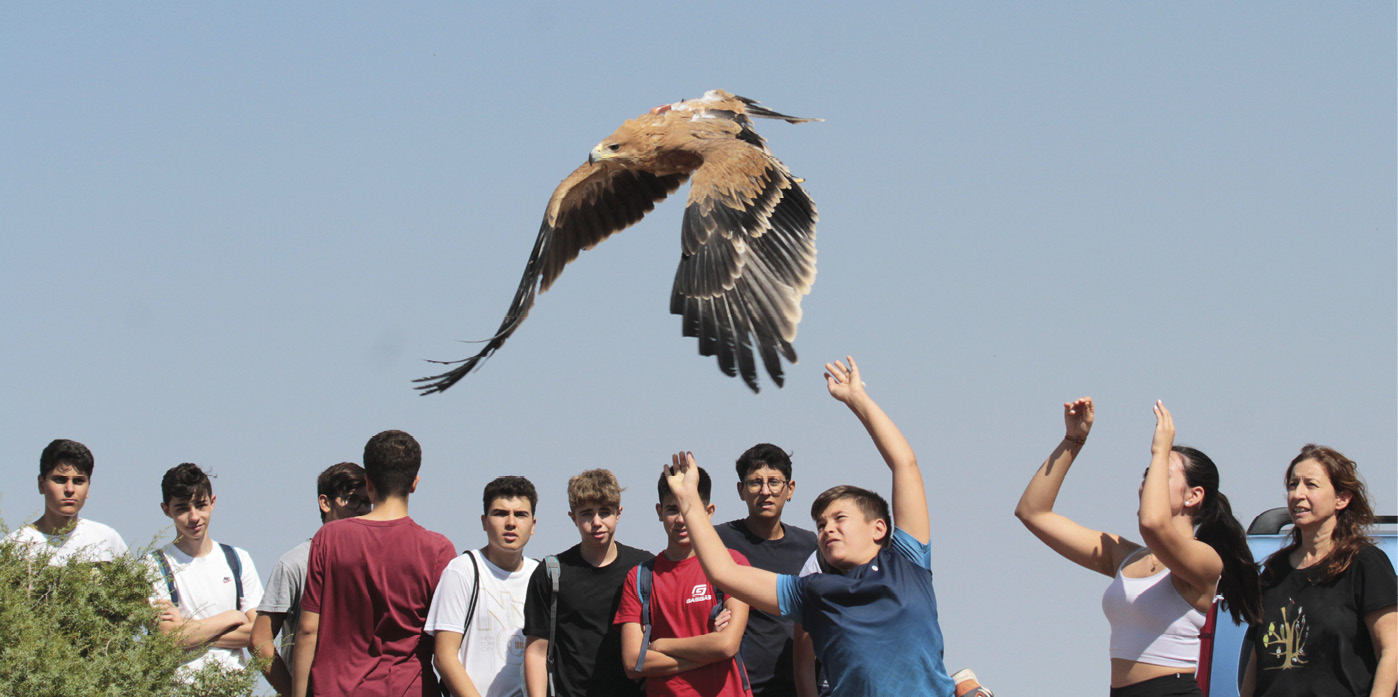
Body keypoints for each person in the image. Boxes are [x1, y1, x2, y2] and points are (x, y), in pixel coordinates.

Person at [661, 356, 978, 697]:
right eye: (821, 524)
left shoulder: (907, 562)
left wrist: (857, 399)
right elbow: (725, 572)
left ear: (878, 529)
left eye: (840, 519)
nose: (827, 529)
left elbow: (905, 465)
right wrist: (689, 502)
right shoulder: (812, 592)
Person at [1015, 398, 1262, 697]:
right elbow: (1033, 512)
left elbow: (1153, 524)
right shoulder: (1125, 557)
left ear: (1193, 496)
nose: (1147, 483)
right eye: (1147, 474)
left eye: (1159, 473)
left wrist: (1161, 450)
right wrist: (1073, 440)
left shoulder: (1206, 559)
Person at [291, 430, 456, 697]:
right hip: (409, 688)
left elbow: (309, 630)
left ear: (368, 482)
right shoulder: (438, 549)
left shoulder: (329, 538)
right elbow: (448, 643)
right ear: (414, 483)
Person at [1240, 444, 1396, 697]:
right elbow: (1257, 659)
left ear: (1342, 498)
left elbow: (1391, 650)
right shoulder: (1274, 571)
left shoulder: (1365, 563)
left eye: (1311, 485)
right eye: (1293, 485)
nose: (1298, 494)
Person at [614, 466, 753, 697]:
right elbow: (633, 663)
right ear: (659, 511)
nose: (680, 519)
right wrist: (709, 648)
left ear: (708, 512)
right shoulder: (639, 577)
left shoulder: (732, 565)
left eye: (689, 508)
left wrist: (662, 645)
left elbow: (727, 645)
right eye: (672, 509)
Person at [522, 469, 651, 697]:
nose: (597, 522)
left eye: (605, 512)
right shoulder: (552, 573)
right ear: (573, 517)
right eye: (587, 514)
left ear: (619, 513)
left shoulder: (644, 568)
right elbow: (536, 650)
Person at [250, 462, 371, 696]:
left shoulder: (376, 563)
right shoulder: (295, 564)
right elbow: (260, 640)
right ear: (325, 503)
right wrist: (294, 692)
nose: (362, 510)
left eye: (368, 502)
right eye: (353, 500)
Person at [713, 444, 818, 697]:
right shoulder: (718, 540)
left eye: (774, 482)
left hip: (801, 684)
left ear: (790, 489)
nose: (765, 491)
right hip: (740, 686)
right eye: (755, 483)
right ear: (740, 490)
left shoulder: (810, 544)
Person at [426, 476, 541, 697]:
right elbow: (444, 656)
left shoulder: (541, 575)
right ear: (484, 521)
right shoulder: (463, 571)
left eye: (520, 515)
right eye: (500, 513)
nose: (511, 522)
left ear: (533, 525)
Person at [149, 462, 265, 676]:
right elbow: (168, 637)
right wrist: (231, 617)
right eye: (182, 508)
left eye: (200, 505)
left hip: (232, 686)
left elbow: (259, 634)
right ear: (166, 510)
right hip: (178, 687)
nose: (194, 517)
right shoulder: (154, 565)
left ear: (212, 502)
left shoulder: (238, 559)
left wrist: (187, 629)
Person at [5, 439, 127, 564]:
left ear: (88, 487)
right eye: (60, 480)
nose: (70, 489)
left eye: (78, 481)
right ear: (41, 484)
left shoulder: (106, 539)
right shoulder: (13, 547)